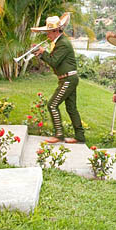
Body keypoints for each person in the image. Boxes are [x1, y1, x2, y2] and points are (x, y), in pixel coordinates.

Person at [32, 13, 85, 144]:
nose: (47, 35)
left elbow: (54, 61)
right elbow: (53, 59)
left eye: (48, 32)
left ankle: (59, 135)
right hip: (67, 78)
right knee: (71, 108)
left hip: (68, 79)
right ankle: (80, 137)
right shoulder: (59, 42)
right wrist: (41, 53)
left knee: (52, 105)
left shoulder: (63, 43)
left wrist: (43, 52)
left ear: (56, 31)